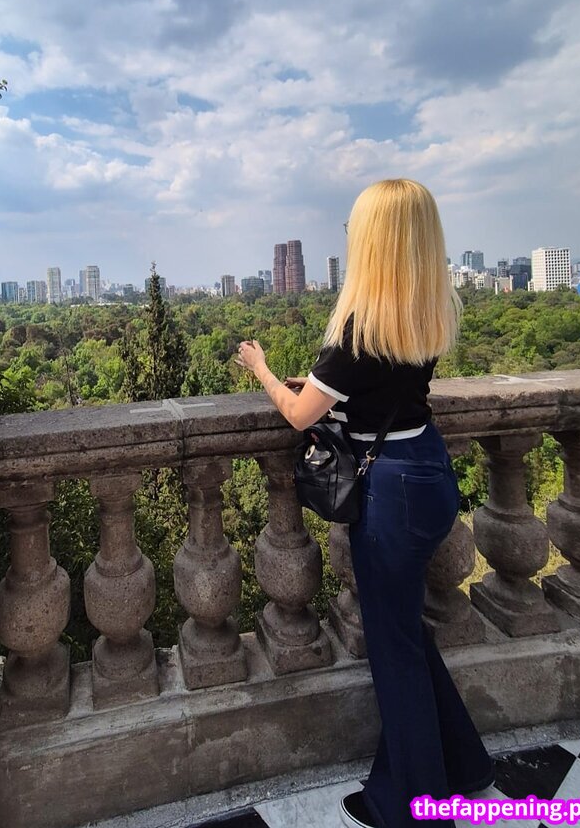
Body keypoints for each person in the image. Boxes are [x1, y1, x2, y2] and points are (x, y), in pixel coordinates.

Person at [235, 179, 495, 828]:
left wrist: (261, 369)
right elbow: (382, 389)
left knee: (393, 647)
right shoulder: (426, 311)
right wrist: (323, 385)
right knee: (406, 632)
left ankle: (410, 806)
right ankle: (463, 765)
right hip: (429, 471)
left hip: (392, 493)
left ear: (373, 242)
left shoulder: (359, 327)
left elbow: (300, 416)